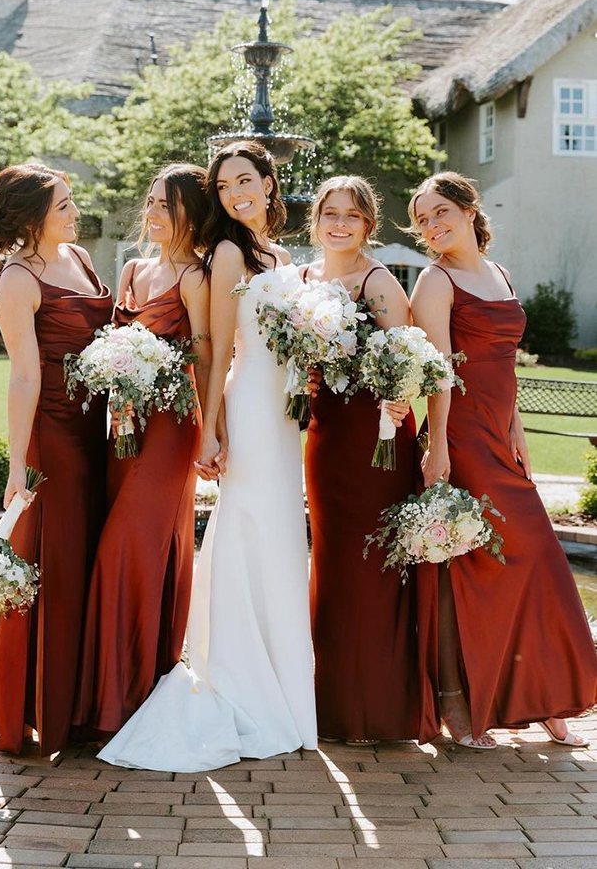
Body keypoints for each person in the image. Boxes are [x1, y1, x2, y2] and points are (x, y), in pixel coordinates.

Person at [98, 142, 317, 771]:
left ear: (270, 184)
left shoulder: (277, 254)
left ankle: (284, 679)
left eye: (245, 181)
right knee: (248, 524)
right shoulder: (225, 253)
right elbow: (217, 349)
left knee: (279, 535)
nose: (235, 194)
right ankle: (238, 671)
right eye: (223, 187)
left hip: (281, 409)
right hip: (246, 403)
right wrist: (212, 428)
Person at [409, 171, 597, 749]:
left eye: (441, 212)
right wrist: (438, 447)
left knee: (537, 561)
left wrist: (516, 430)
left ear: (469, 209)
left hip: (498, 432)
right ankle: (459, 704)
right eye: (422, 220)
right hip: (460, 434)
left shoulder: (500, 273)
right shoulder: (434, 283)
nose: (433, 226)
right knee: (468, 567)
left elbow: (506, 365)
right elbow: (438, 374)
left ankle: (541, 695)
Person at [0, 164, 112, 756]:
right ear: (31, 219)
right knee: (56, 563)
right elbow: (23, 375)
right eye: (63, 207)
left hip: (99, 428)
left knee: (83, 559)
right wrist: (17, 466)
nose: (75, 214)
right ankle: (35, 702)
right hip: (53, 434)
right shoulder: (18, 279)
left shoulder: (79, 259)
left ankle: (8, 683)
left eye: (73, 202)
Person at [73, 164, 210, 736]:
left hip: (171, 426)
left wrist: (212, 431)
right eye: (150, 202)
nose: (152, 214)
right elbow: (111, 340)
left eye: (166, 206)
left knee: (127, 545)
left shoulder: (199, 277)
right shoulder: (130, 269)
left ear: (190, 214)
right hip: (123, 426)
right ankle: (116, 687)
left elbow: (203, 355)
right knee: (129, 543)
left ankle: (124, 693)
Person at [302, 175, 421, 745]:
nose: (340, 223)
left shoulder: (377, 281)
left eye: (352, 214)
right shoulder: (303, 280)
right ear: (316, 219)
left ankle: (376, 709)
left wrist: (399, 394)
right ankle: (328, 705)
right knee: (332, 561)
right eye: (330, 212)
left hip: (378, 437)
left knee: (374, 565)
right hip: (326, 438)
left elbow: (409, 355)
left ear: (368, 223)